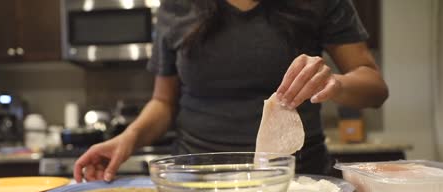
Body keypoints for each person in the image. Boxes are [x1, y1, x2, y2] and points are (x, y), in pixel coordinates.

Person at [73, 0, 388, 182]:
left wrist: (335, 83)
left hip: (295, 183)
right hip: (197, 184)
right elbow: (163, 103)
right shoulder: (177, 6)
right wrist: (127, 139)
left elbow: (375, 88)